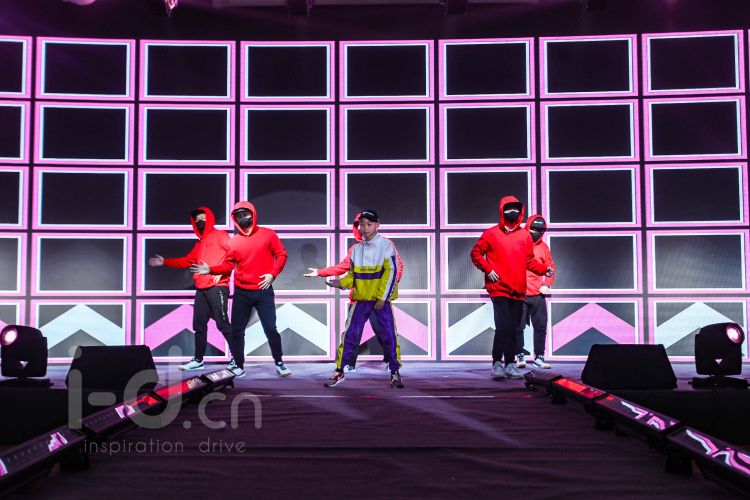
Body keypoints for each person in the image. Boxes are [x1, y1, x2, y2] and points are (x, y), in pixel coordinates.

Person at [191, 201, 289, 379]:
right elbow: (227, 266)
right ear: (235, 219)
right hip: (242, 292)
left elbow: (281, 255)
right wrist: (210, 269)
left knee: (270, 328)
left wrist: (272, 274)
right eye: (239, 215)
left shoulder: (268, 234)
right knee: (237, 331)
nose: (243, 218)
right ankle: (239, 365)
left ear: (253, 214)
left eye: (246, 214)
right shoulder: (234, 242)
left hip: (263, 290)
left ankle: (279, 361)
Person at [304, 212, 404, 374]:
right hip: (359, 299)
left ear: (376, 225)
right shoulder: (355, 249)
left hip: (378, 299)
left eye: (367, 224)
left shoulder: (386, 245)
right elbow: (345, 269)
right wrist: (321, 272)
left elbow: (396, 268)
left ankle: (390, 362)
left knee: (384, 332)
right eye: (360, 224)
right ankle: (348, 364)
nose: (363, 227)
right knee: (352, 333)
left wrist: (385, 293)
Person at [470, 196, 554, 381]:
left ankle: (510, 364)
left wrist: (543, 270)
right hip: (499, 288)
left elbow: (529, 261)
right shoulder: (491, 234)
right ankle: (496, 364)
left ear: (520, 211)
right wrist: (488, 269)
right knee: (503, 327)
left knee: (515, 328)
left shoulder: (524, 235)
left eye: (516, 209)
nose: (513, 212)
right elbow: (476, 253)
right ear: (502, 210)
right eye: (509, 208)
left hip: (518, 290)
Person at [148, 207, 232, 371]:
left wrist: (221, 273)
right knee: (199, 326)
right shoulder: (199, 244)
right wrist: (165, 261)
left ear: (210, 219)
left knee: (223, 324)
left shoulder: (221, 235)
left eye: (203, 218)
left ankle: (237, 359)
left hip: (217, 287)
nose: (200, 221)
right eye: (197, 219)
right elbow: (186, 261)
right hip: (201, 289)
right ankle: (198, 360)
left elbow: (233, 256)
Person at [516, 215, 555, 370]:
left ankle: (539, 357)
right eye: (533, 229)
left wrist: (547, 285)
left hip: (538, 294)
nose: (535, 232)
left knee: (541, 326)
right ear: (527, 227)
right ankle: (519, 355)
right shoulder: (518, 244)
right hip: (519, 293)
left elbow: (551, 268)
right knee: (517, 327)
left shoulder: (544, 248)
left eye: (540, 230)